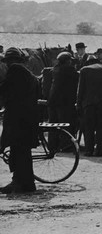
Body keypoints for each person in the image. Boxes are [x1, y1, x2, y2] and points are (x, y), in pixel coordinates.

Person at [0, 48, 40, 194]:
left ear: (10, 61)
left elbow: (5, 90)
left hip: (18, 119)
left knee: (18, 151)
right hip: (28, 118)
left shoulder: (15, 71)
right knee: (23, 152)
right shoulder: (27, 74)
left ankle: (19, 183)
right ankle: (26, 183)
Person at [77, 56, 102, 157]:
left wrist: (78, 104)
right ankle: (100, 150)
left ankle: (89, 150)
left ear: (88, 62)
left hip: (89, 103)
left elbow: (80, 89)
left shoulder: (84, 70)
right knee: (101, 126)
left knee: (89, 127)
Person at [47, 52, 79, 146]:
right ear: (67, 61)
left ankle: (52, 144)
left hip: (52, 100)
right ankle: (65, 145)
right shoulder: (69, 69)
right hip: (64, 102)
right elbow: (78, 79)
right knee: (66, 123)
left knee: (53, 123)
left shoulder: (55, 69)